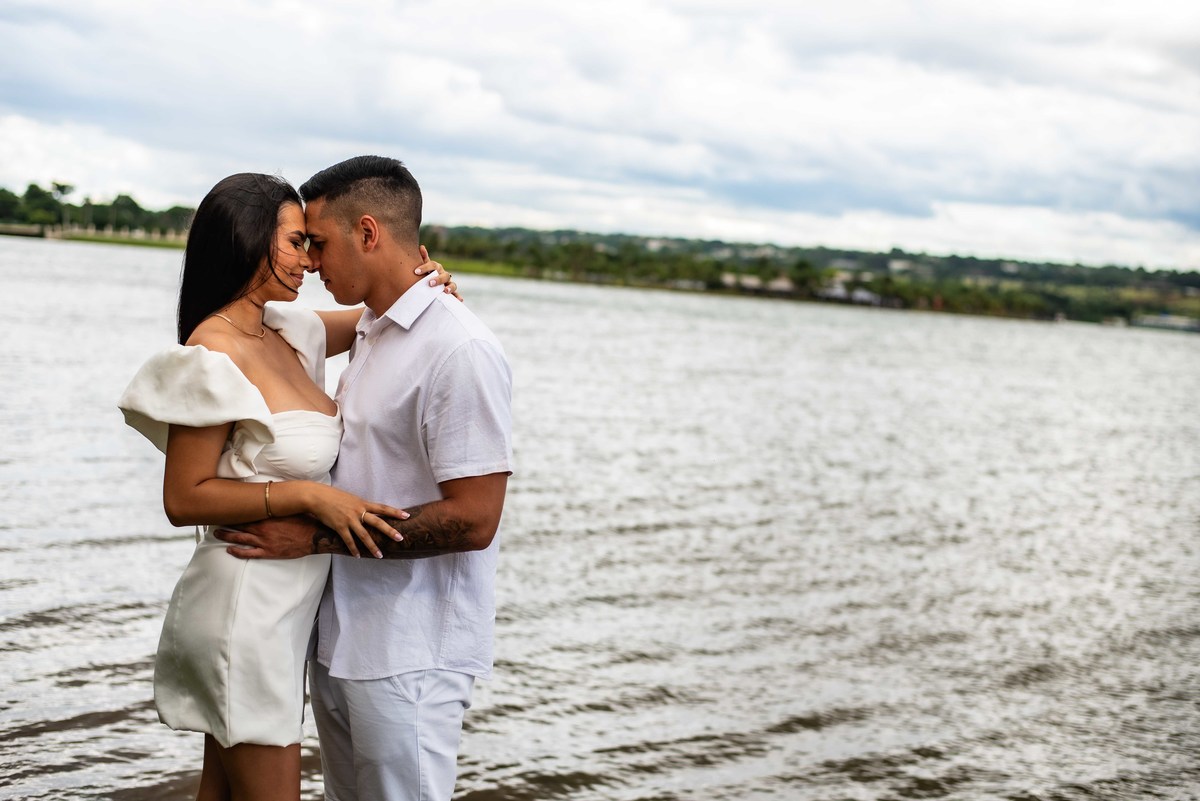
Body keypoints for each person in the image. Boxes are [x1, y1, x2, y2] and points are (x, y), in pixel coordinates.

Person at [118, 172, 458, 801]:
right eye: (298, 243)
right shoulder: (211, 352)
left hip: (286, 610)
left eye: (313, 244)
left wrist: (427, 279)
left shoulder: (292, 333)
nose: (311, 259)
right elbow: (184, 497)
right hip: (243, 604)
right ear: (249, 241)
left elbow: (378, 310)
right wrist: (309, 497)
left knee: (222, 793)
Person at [215, 156, 513, 801]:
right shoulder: (374, 329)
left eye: (318, 243)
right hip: (342, 635)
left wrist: (312, 538)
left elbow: (475, 519)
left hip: (410, 649)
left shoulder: (458, 349)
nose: (312, 262)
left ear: (369, 233)